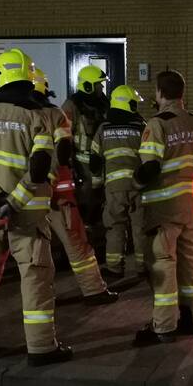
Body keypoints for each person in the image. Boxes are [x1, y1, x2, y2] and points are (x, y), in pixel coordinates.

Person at [0, 48, 71, 366]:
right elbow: (41, 169)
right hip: (30, 215)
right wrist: (15, 201)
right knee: (35, 280)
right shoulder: (36, 118)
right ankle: (41, 348)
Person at [132, 70, 193, 345]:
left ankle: (164, 327)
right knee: (191, 263)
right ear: (182, 93)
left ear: (159, 93)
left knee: (164, 266)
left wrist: (134, 184)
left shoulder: (157, 125)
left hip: (163, 209)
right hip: (190, 206)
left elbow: (151, 166)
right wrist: (189, 176)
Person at [31, 68, 118, 305]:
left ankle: (39, 297)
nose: (101, 88)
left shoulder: (7, 117)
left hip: (24, 193)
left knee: (32, 246)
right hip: (62, 184)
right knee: (72, 236)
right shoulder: (60, 111)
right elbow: (63, 147)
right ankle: (91, 289)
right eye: (98, 85)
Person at [90, 84, 148, 279]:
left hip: (113, 188)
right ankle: (143, 268)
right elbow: (150, 157)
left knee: (115, 227)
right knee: (140, 228)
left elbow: (95, 160)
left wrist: (96, 185)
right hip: (138, 186)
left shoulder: (103, 128)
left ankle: (115, 268)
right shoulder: (141, 127)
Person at [61, 65, 110, 224]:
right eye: (98, 84)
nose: (101, 87)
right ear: (88, 86)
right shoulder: (72, 105)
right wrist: (69, 166)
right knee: (85, 202)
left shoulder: (104, 103)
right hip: (82, 166)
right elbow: (64, 136)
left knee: (102, 201)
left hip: (102, 164)